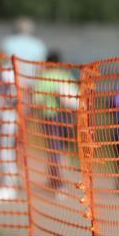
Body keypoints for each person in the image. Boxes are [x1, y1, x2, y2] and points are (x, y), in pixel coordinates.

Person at [35, 50, 79, 195]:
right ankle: (55, 179)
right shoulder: (66, 76)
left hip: (50, 117)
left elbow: (37, 100)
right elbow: (75, 97)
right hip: (66, 117)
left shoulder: (45, 77)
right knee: (61, 149)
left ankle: (58, 183)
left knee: (53, 149)